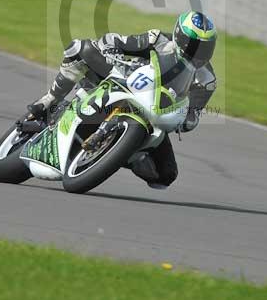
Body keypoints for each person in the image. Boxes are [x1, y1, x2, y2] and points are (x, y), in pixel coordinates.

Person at [24, 11, 218, 189]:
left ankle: (124, 154)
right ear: (179, 35)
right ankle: (49, 100)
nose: (197, 51)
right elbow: (118, 41)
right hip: (125, 80)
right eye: (193, 44)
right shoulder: (158, 39)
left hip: (155, 111)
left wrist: (186, 120)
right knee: (80, 49)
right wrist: (112, 50)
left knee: (165, 175)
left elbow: (193, 113)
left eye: (205, 47)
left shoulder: (207, 80)